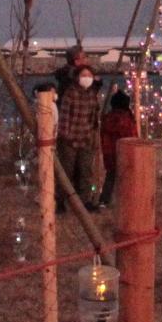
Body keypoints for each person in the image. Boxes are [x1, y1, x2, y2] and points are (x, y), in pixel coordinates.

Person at [55, 51, 105, 209]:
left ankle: (85, 201)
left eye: (89, 75)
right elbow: (64, 117)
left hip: (86, 138)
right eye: (84, 75)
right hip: (70, 139)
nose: (87, 78)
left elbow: (93, 116)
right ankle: (61, 201)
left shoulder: (91, 94)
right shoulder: (70, 93)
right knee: (67, 171)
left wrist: (92, 135)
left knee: (85, 171)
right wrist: (65, 136)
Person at [97, 90, 138, 206]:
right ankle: (127, 199)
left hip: (110, 153)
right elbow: (131, 136)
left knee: (110, 177)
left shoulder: (108, 119)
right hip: (125, 152)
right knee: (127, 177)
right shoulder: (125, 119)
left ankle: (104, 200)